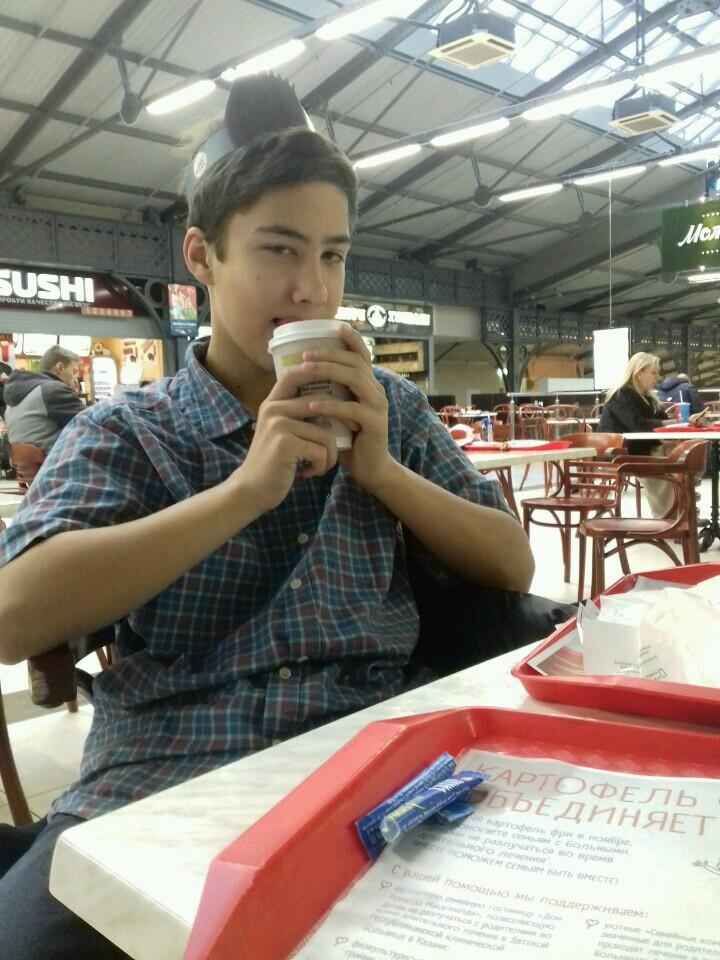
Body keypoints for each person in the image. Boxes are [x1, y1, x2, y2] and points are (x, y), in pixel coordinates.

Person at [0, 76, 551, 959]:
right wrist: (246, 491)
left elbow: (512, 565)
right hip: (167, 775)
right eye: (279, 250)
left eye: (333, 255)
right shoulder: (132, 430)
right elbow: (13, 617)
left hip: (371, 761)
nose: (310, 289)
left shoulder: (390, 409)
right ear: (202, 256)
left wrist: (381, 471)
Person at [598, 352, 703, 517]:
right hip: (618, 452)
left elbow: (663, 420)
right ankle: (671, 513)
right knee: (666, 464)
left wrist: (686, 421)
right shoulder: (621, 395)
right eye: (654, 372)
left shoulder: (648, 397)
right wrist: (669, 425)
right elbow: (637, 424)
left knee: (679, 451)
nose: (658, 377)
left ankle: (683, 499)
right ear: (638, 373)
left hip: (640, 447)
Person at [3, 345, 85, 452]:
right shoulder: (53, 389)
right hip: (53, 459)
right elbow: (93, 421)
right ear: (60, 368)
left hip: (22, 461)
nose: (76, 378)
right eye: (74, 372)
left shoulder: (22, 391)